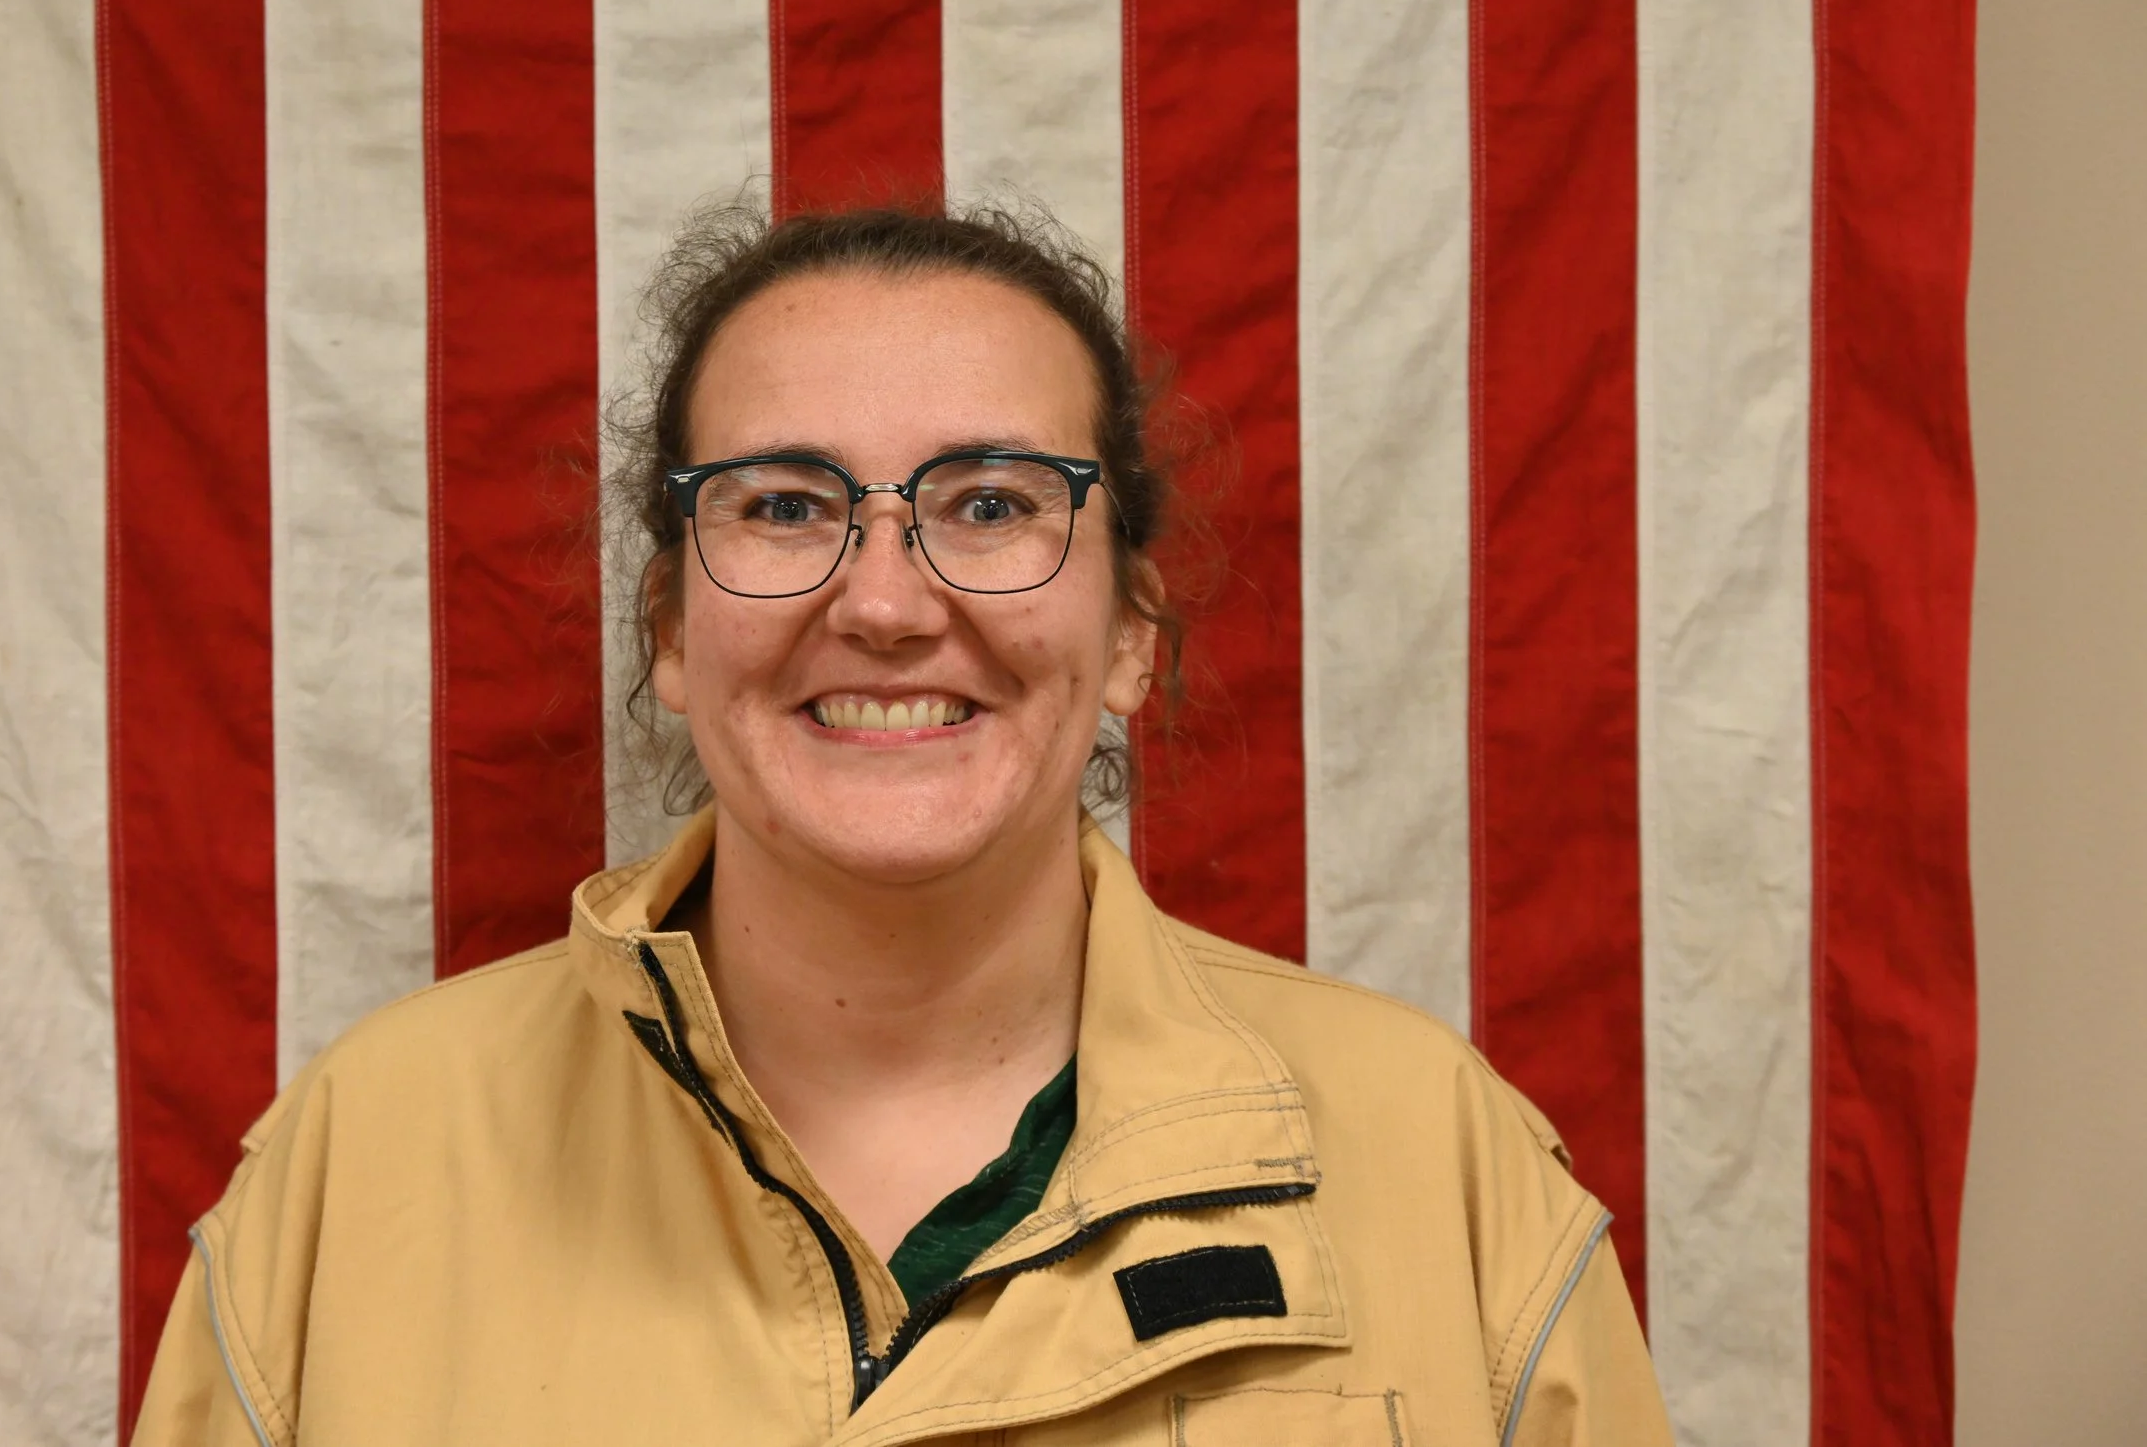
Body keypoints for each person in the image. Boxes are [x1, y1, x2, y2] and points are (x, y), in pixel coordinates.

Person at [132, 203, 1675, 1445]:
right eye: (784, 504)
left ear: (1131, 633)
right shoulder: (364, 1164)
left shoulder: (1437, 1162)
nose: (883, 601)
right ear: (670, 629)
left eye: (992, 504)